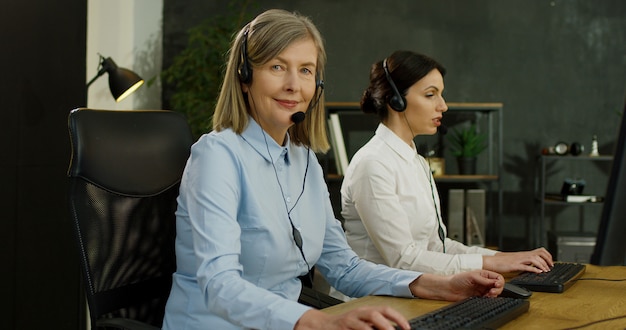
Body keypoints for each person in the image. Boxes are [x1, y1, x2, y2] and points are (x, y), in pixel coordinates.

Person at [162, 10, 504, 330]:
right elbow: (219, 285)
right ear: (245, 77)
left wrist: (438, 286)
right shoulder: (217, 156)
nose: (294, 85)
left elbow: (344, 266)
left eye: (306, 70)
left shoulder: (304, 160)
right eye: (277, 67)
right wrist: (321, 322)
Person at [340, 50, 554, 280]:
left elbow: (437, 246)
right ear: (396, 101)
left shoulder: (417, 162)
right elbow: (403, 259)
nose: (443, 106)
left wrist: (505, 258)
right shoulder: (373, 165)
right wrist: (492, 263)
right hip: (372, 302)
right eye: (431, 94)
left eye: (441, 94)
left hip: (411, 293)